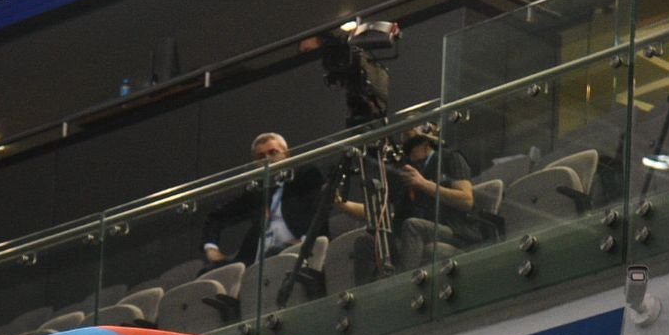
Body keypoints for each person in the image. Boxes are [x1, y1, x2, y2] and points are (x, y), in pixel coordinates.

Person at [336, 122, 480, 270]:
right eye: (404, 126)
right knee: (365, 242)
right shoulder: (400, 171)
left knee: (412, 226)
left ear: (430, 132)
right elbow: (379, 212)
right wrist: (343, 204)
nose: (407, 128)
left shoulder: (450, 158)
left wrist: (423, 183)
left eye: (413, 124)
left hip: (452, 230)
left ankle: (404, 280)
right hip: (409, 233)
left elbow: (466, 200)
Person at [201, 132, 326, 267]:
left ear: (287, 155)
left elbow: (320, 210)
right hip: (257, 260)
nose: (267, 160)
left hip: (297, 252)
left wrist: (304, 241)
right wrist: (211, 248)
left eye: (273, 153)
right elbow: (216, 217)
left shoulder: (304, 177)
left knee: (274, 254)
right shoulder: (256, 191)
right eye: (261, 157)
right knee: (208, 270)